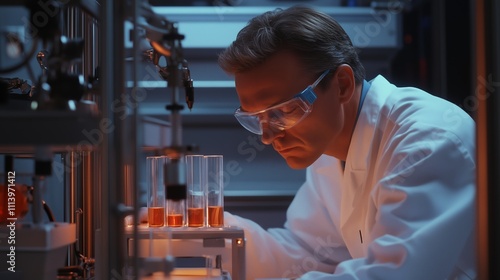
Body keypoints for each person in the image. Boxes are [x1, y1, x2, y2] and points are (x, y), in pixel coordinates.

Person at [217, 5, 476, 280]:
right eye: (256, 119)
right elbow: (308, 255)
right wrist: (213, 228)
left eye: (284, 111)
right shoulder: (330, 147)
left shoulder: (426, 141)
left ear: (342, 85)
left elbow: (393, 275)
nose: (268, 137)